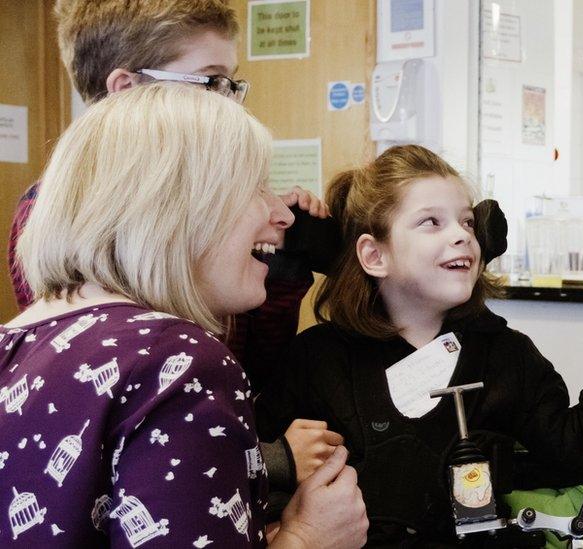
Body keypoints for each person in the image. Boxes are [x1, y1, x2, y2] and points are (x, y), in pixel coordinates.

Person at [0, 83, 368, 547]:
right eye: (254, 187)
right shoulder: (176, 361)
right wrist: (309, 537)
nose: (283, 213)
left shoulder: (15, 344)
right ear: (177, 204)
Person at [6, 0, 339, 493]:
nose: (230, 103)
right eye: (210, 83)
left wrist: (276, 267)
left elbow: (250, 367)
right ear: (125, 90)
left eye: (233, 84)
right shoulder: (54, 217)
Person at [255, 145, 583, 546]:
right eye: (432, 223)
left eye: (468, 222)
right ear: (374, 255)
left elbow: (569, 446)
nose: (461, 235)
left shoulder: (506, 355)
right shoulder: (317, 359)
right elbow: (259, 470)